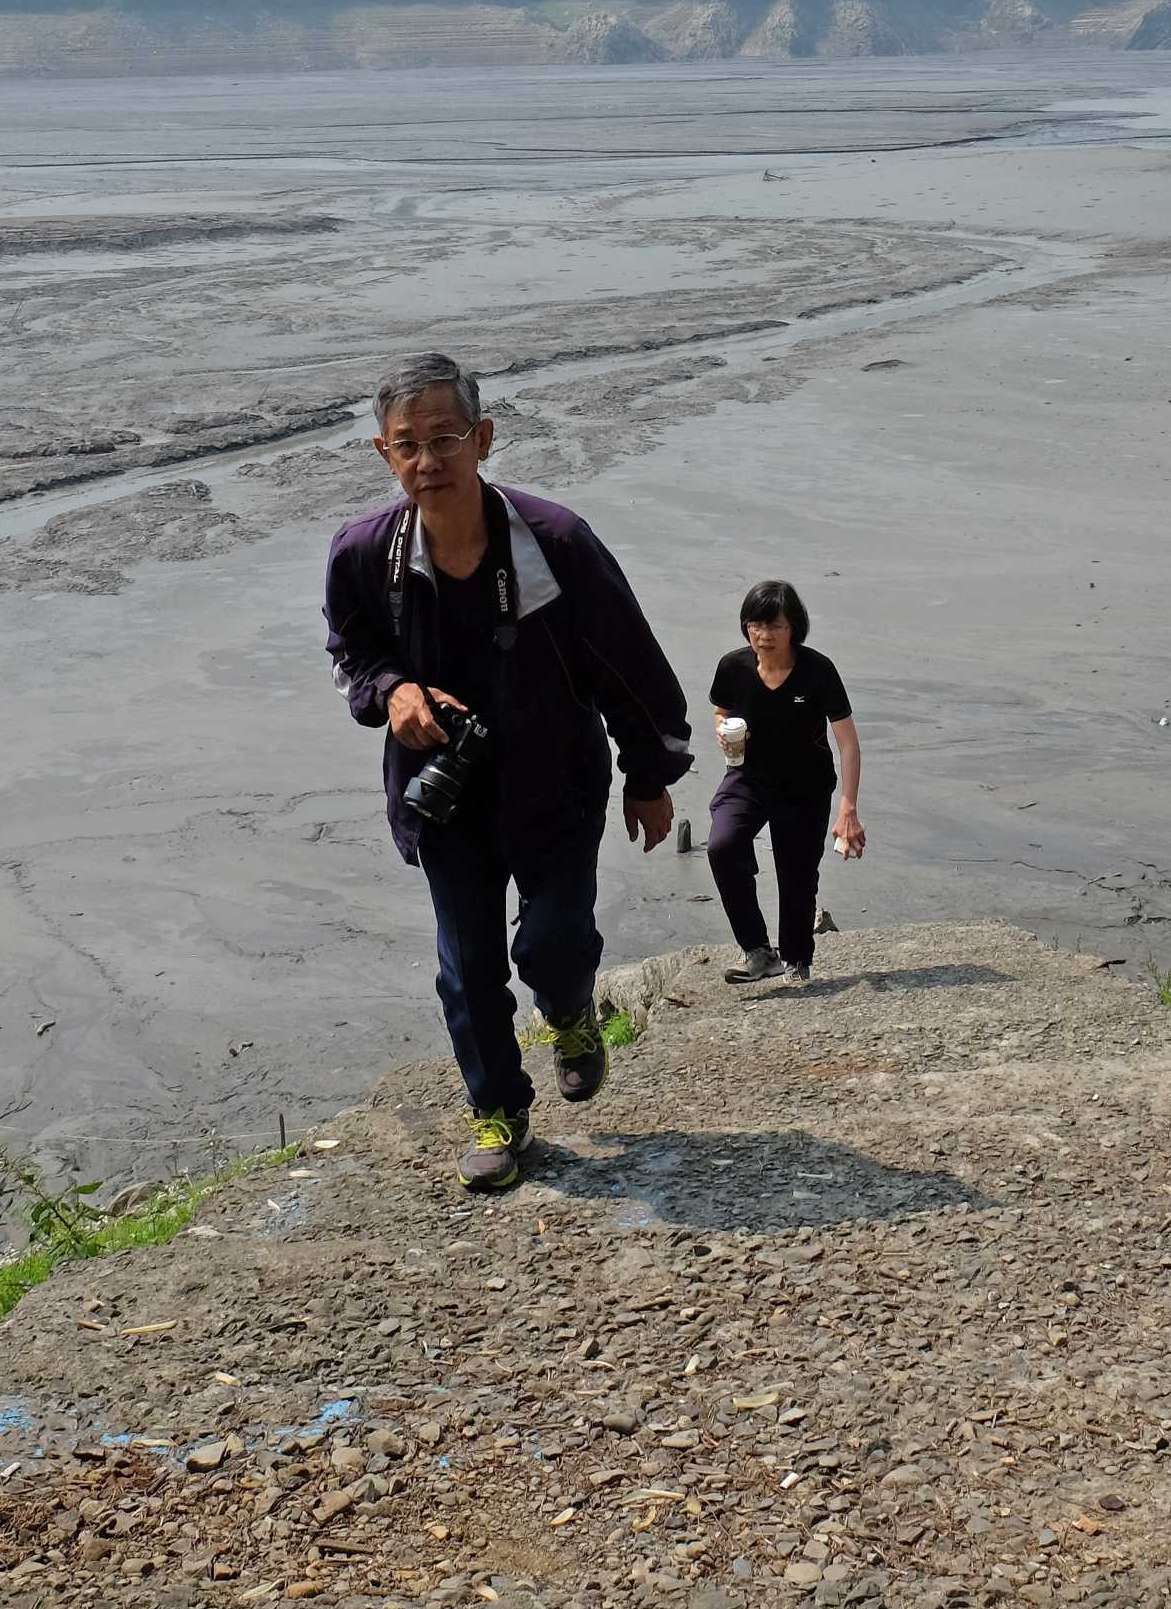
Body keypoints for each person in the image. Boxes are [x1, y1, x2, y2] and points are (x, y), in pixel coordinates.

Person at [323, 352, 693, 1192]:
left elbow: (627, 663)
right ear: (383, 455)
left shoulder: (554, 544)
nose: (428, 462)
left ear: (483, 439)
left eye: (445, 439)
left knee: (553, 941)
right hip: (444, 793)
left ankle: (568, 1011)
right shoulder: (364, 557)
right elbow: (352, 653)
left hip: (554, 781)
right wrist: (396, 692)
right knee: (468, 965)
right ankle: (498, 1112)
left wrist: (648, 773)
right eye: (407, 445)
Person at [707, 580, 864, 984]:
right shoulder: (733, 666)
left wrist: (848, 807)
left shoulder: (818, 671)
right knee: (723, 845)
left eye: (774, 625)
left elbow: (846, 742)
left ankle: (796, 961)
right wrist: (724, 730)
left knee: (796, 876)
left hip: (805, 786)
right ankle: (758, 952)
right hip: (747, 777)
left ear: (794, 626)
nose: (763, 635)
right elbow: (720, 709)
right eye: (755, 625)